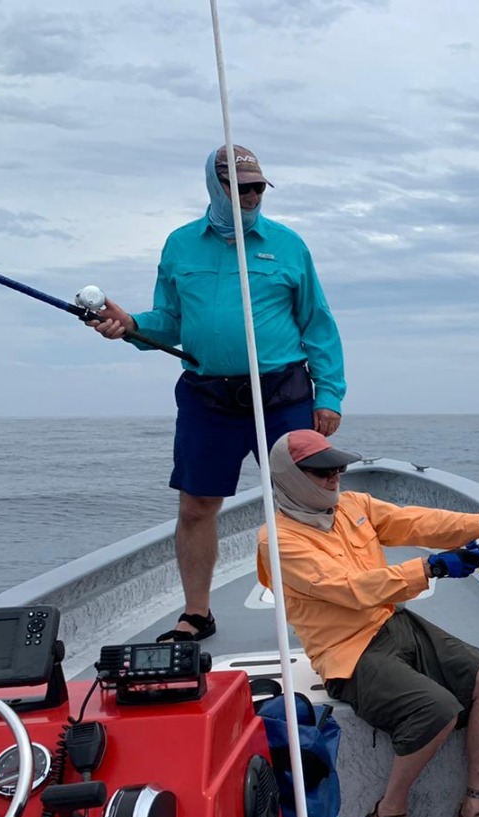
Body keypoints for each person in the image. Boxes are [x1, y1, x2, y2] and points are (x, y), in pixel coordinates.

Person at [90, 144, 346, 643]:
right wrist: (132, 325)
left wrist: (329, 395)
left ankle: (330, 600)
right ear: (216, 187)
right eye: (241, 187)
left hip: (283, 392)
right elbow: (169, 322)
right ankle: (197, 613)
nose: (252, 197)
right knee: (196, 506)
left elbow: (318, 323)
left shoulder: (289, 245)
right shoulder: (181, 245)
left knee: (310, 500)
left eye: (258, 188)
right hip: (207, 395)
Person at [256, 430, 479, 817]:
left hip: (393, 622)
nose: (335, 478)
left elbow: (414, 522)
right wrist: (431, 567)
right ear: (292, 478)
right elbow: (348, 589)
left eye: (339, 468)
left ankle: (473, 811)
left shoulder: (352, 505)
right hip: (346, 651)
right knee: (437, 710)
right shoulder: (278, 540)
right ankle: (387, 814)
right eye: (323, 472)